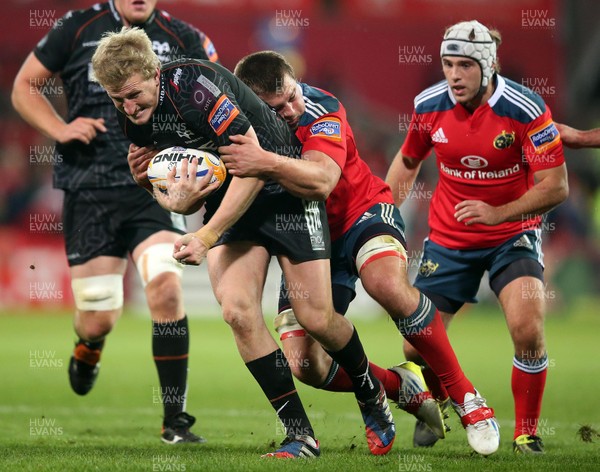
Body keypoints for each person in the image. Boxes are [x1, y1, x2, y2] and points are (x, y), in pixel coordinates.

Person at [92, 27, 396, 458]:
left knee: (315, 317)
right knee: (236, 311)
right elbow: (177, 191)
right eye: (116, 98)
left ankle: (371, 394)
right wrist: (148, 185)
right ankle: (300, 436)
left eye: (133, 94)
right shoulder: (133, 114)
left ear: (153, 72)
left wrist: (206, 235)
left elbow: (250, 165)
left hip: (281, 190)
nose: (127, 106)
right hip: (229, 200)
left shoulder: (196, 88)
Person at [220, 50, 501, 456]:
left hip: (359, 214)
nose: (293, 109)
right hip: (304, 238)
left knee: (385, 283)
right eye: (277, 108)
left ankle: (467, 398)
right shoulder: (234, 130)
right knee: (305, 364)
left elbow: (322, 179)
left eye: (293, 95)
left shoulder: (323, 109)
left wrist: (262, 161)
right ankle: (398, 386)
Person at [11, 0, 219, 444]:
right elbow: (25, 85)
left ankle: (175, 422)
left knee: (165, 288)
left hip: (153, 189)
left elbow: (218, 97)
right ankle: (88, 347)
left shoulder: (185, 39)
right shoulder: (76, 27)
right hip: (90, 191)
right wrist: (60, 129)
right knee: (98, 318)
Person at [386, 20, 568, 454]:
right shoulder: (429, 105)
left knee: (528, 327)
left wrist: (497, 213)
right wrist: (382, 219)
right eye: (448, 64)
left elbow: (556, 186)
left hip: (512, 234)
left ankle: (526, 432)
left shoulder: (525, 109)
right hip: (449, 238)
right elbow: (408, 162)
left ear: (487, 67)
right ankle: (445, 396)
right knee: (413, 342)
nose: (453, 75)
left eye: (465, 65)